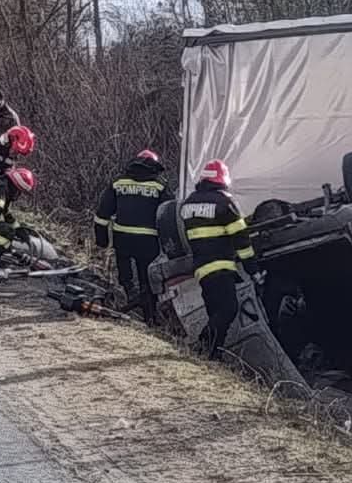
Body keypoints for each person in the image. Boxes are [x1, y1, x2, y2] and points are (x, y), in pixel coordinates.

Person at [180, 159, 255, 359]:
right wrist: (252, 267)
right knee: (229, 309)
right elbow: (241, 237)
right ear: (223, 179)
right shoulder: (224, 202)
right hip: (221, 265)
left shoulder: (188, 203)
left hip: (201, 268)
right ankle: (203, 344)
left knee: (216, 312)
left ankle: (213, 355)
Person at [94, 148, 170, 323]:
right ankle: (149, 316)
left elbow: (102, 215)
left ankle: (130, 298)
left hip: (122, 238)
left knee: (126, 275)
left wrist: (102, 240)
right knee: (147, 278)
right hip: (148, 240)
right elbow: (167, 215)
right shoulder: (160, 185)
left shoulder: (118, 182)